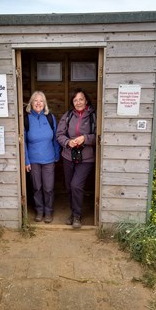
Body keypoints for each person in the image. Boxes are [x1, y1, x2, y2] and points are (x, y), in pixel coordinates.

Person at [56, 88, 96, 229]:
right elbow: (59, 134)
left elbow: (99, 135)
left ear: (86, 100)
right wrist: (68, 142)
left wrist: (84, 138)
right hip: (68, 156)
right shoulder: (68, 116)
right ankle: (73, 213)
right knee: (69, 187)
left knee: (76, 185)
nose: (78, 102)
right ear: (72, 102)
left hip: (86, 158)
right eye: (75, 100)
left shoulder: (93, 116)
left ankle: (77, 216)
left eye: (81, 99)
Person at [24, 91, 60, 223]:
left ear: (44, 103)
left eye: (41, 101)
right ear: (31, 103)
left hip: (49, 159)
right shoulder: (26, 119)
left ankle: (49, 211)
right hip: (33, 160)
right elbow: (23, 142)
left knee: (48, 187)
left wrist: (56, 156)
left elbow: (55, 138)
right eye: (35, 100)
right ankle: (39, 211)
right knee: (37, 187)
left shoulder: (50, 118)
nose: (38, 103)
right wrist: (26, 160)